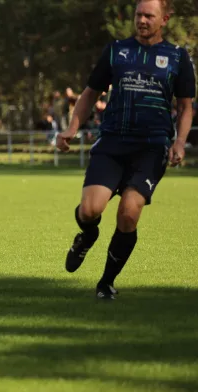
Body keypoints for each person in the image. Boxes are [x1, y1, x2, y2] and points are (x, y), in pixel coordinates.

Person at [56, 0, 195, 300]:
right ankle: (88, 236)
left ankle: (106, 282)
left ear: (165, 19)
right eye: (138, 15)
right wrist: (71, 128)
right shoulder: (116, 51)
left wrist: (180, 142)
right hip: (113, 142)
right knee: (91, 210)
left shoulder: (177, 57)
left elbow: (185, 107)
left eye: (149, 16)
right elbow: (90, 93)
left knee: (129, 215)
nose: (142, 20)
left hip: (152, 147)